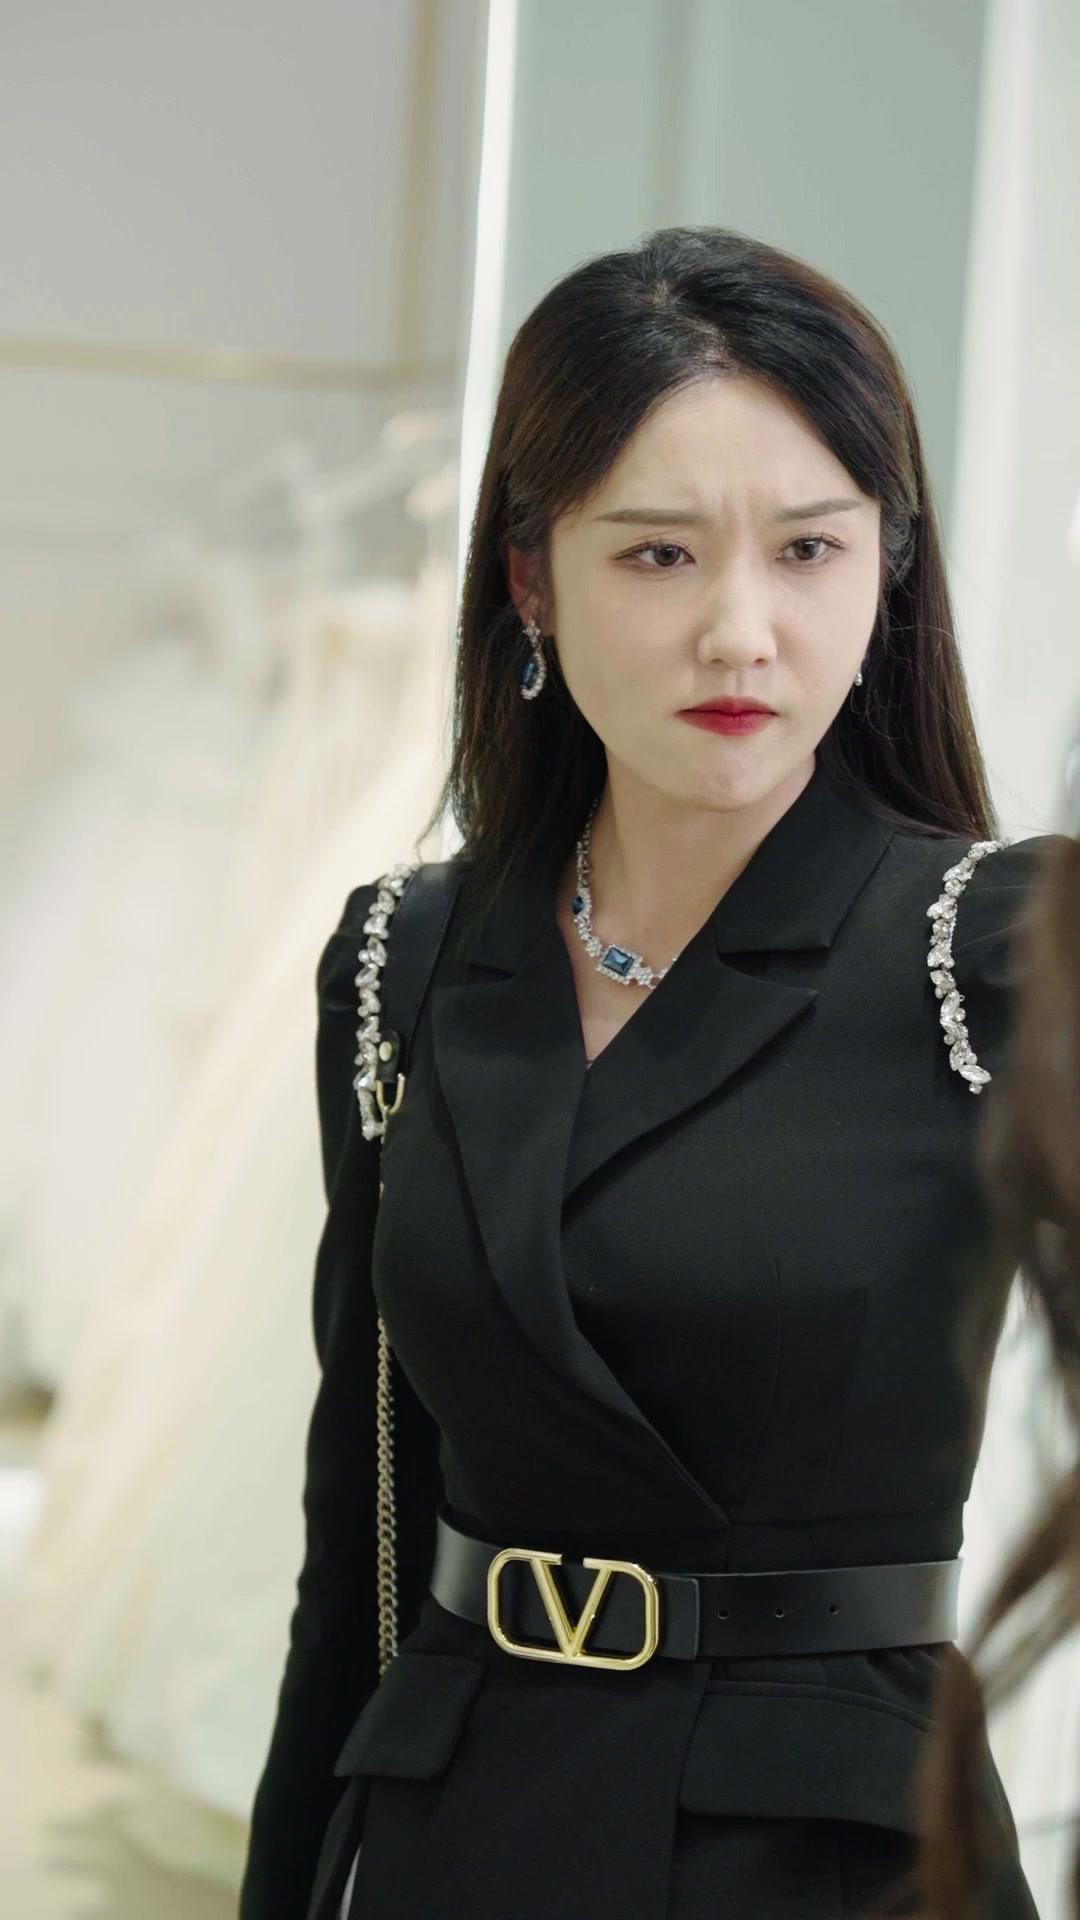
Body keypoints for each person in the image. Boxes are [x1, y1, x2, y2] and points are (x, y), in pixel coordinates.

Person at [237, 226, 1069, 1920]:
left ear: (889, 571)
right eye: (662, 556)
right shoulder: (404, 956)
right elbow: (365, 1531)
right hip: (463, 1821)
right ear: (532, 581)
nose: (741, 633)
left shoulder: (995, 946)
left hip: (835, 1854)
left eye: (811, 549)